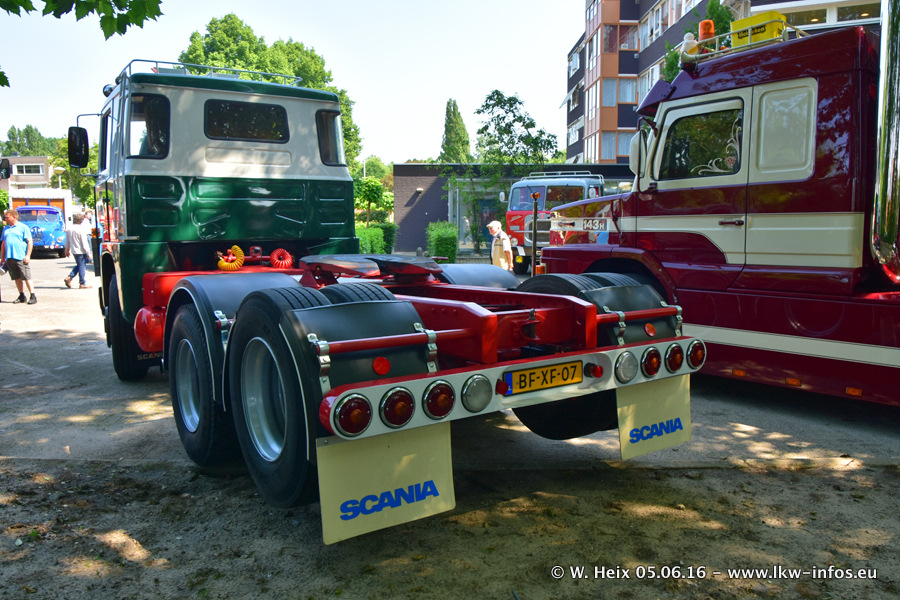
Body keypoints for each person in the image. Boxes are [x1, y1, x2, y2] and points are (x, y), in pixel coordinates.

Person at [1, 209, 37, 304]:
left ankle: (32, 295)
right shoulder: (6, 229)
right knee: (16, 277)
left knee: (26, 276)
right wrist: (3, 258)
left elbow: (30, 242)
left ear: (14, 217)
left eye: (7, 217)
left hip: (20, 256)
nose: (5, 219)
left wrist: (28, 255)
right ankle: (21, 295)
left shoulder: (23, 227)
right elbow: (3, 243)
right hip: (10, 257)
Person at [64, 213, 92, 289]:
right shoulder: (81, 229)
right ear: (82, 220)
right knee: (82, 266)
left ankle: (70, 277)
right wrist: (88, 252)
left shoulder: (70, 229)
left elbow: (67, 241)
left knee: (80, 265)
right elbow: (84, 242)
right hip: (81, 251)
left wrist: (67, 250)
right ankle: (82, 283)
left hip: (74, 250)